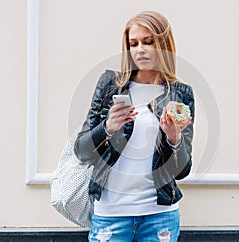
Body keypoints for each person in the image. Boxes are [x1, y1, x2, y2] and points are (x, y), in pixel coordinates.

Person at [74, 10, 195, 242]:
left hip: (159, 217)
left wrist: (173, 139)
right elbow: (82, 151)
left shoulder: (181, 94)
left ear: (163, 45)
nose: (140, 49)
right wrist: (108, 126)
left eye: (149, 42)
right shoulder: (110, 85)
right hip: (110, 215)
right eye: (134, 43)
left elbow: (182, 171)